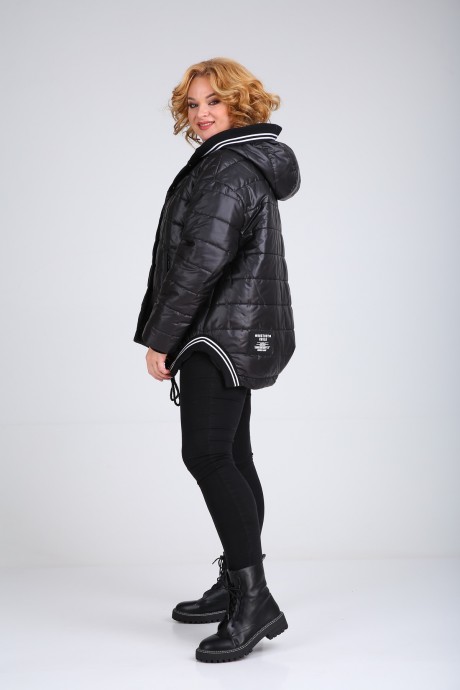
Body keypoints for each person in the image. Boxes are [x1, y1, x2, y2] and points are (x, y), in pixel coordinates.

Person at [133, 57, 301, 663]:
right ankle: (238, 584)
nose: (202, 114)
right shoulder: (237, 162)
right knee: (232, 454)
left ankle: (254, 601)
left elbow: (202, 260)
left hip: (217, 332)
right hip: (234, 327)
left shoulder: (228, 169)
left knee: (206, 454)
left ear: (240, 104)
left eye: (214, 101)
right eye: (194, 104)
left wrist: (162, 337)